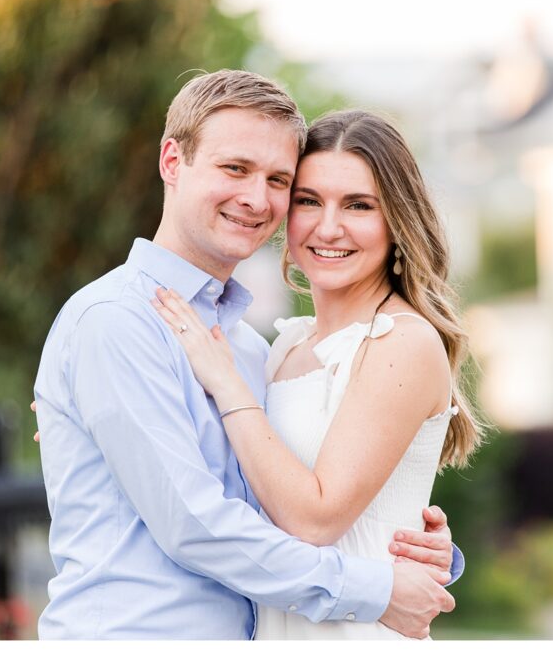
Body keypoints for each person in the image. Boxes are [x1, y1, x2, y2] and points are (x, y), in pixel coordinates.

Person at [33, 70, 459, 640]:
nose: (256, 198)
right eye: (235, 168)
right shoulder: (114, 322)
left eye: (278, 180)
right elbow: (196, 525)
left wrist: (418, 549)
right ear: (171, 162)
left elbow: (278, 503)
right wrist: (378, 589)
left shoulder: (247, 347)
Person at [150, 109, 486, 639]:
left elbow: (316, 519)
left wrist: (230, 388)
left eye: (358, 205)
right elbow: (235, 480)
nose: (329, 227)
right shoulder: (285, 346)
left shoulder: (402, 340)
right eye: (309, 201)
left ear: (397, 220)